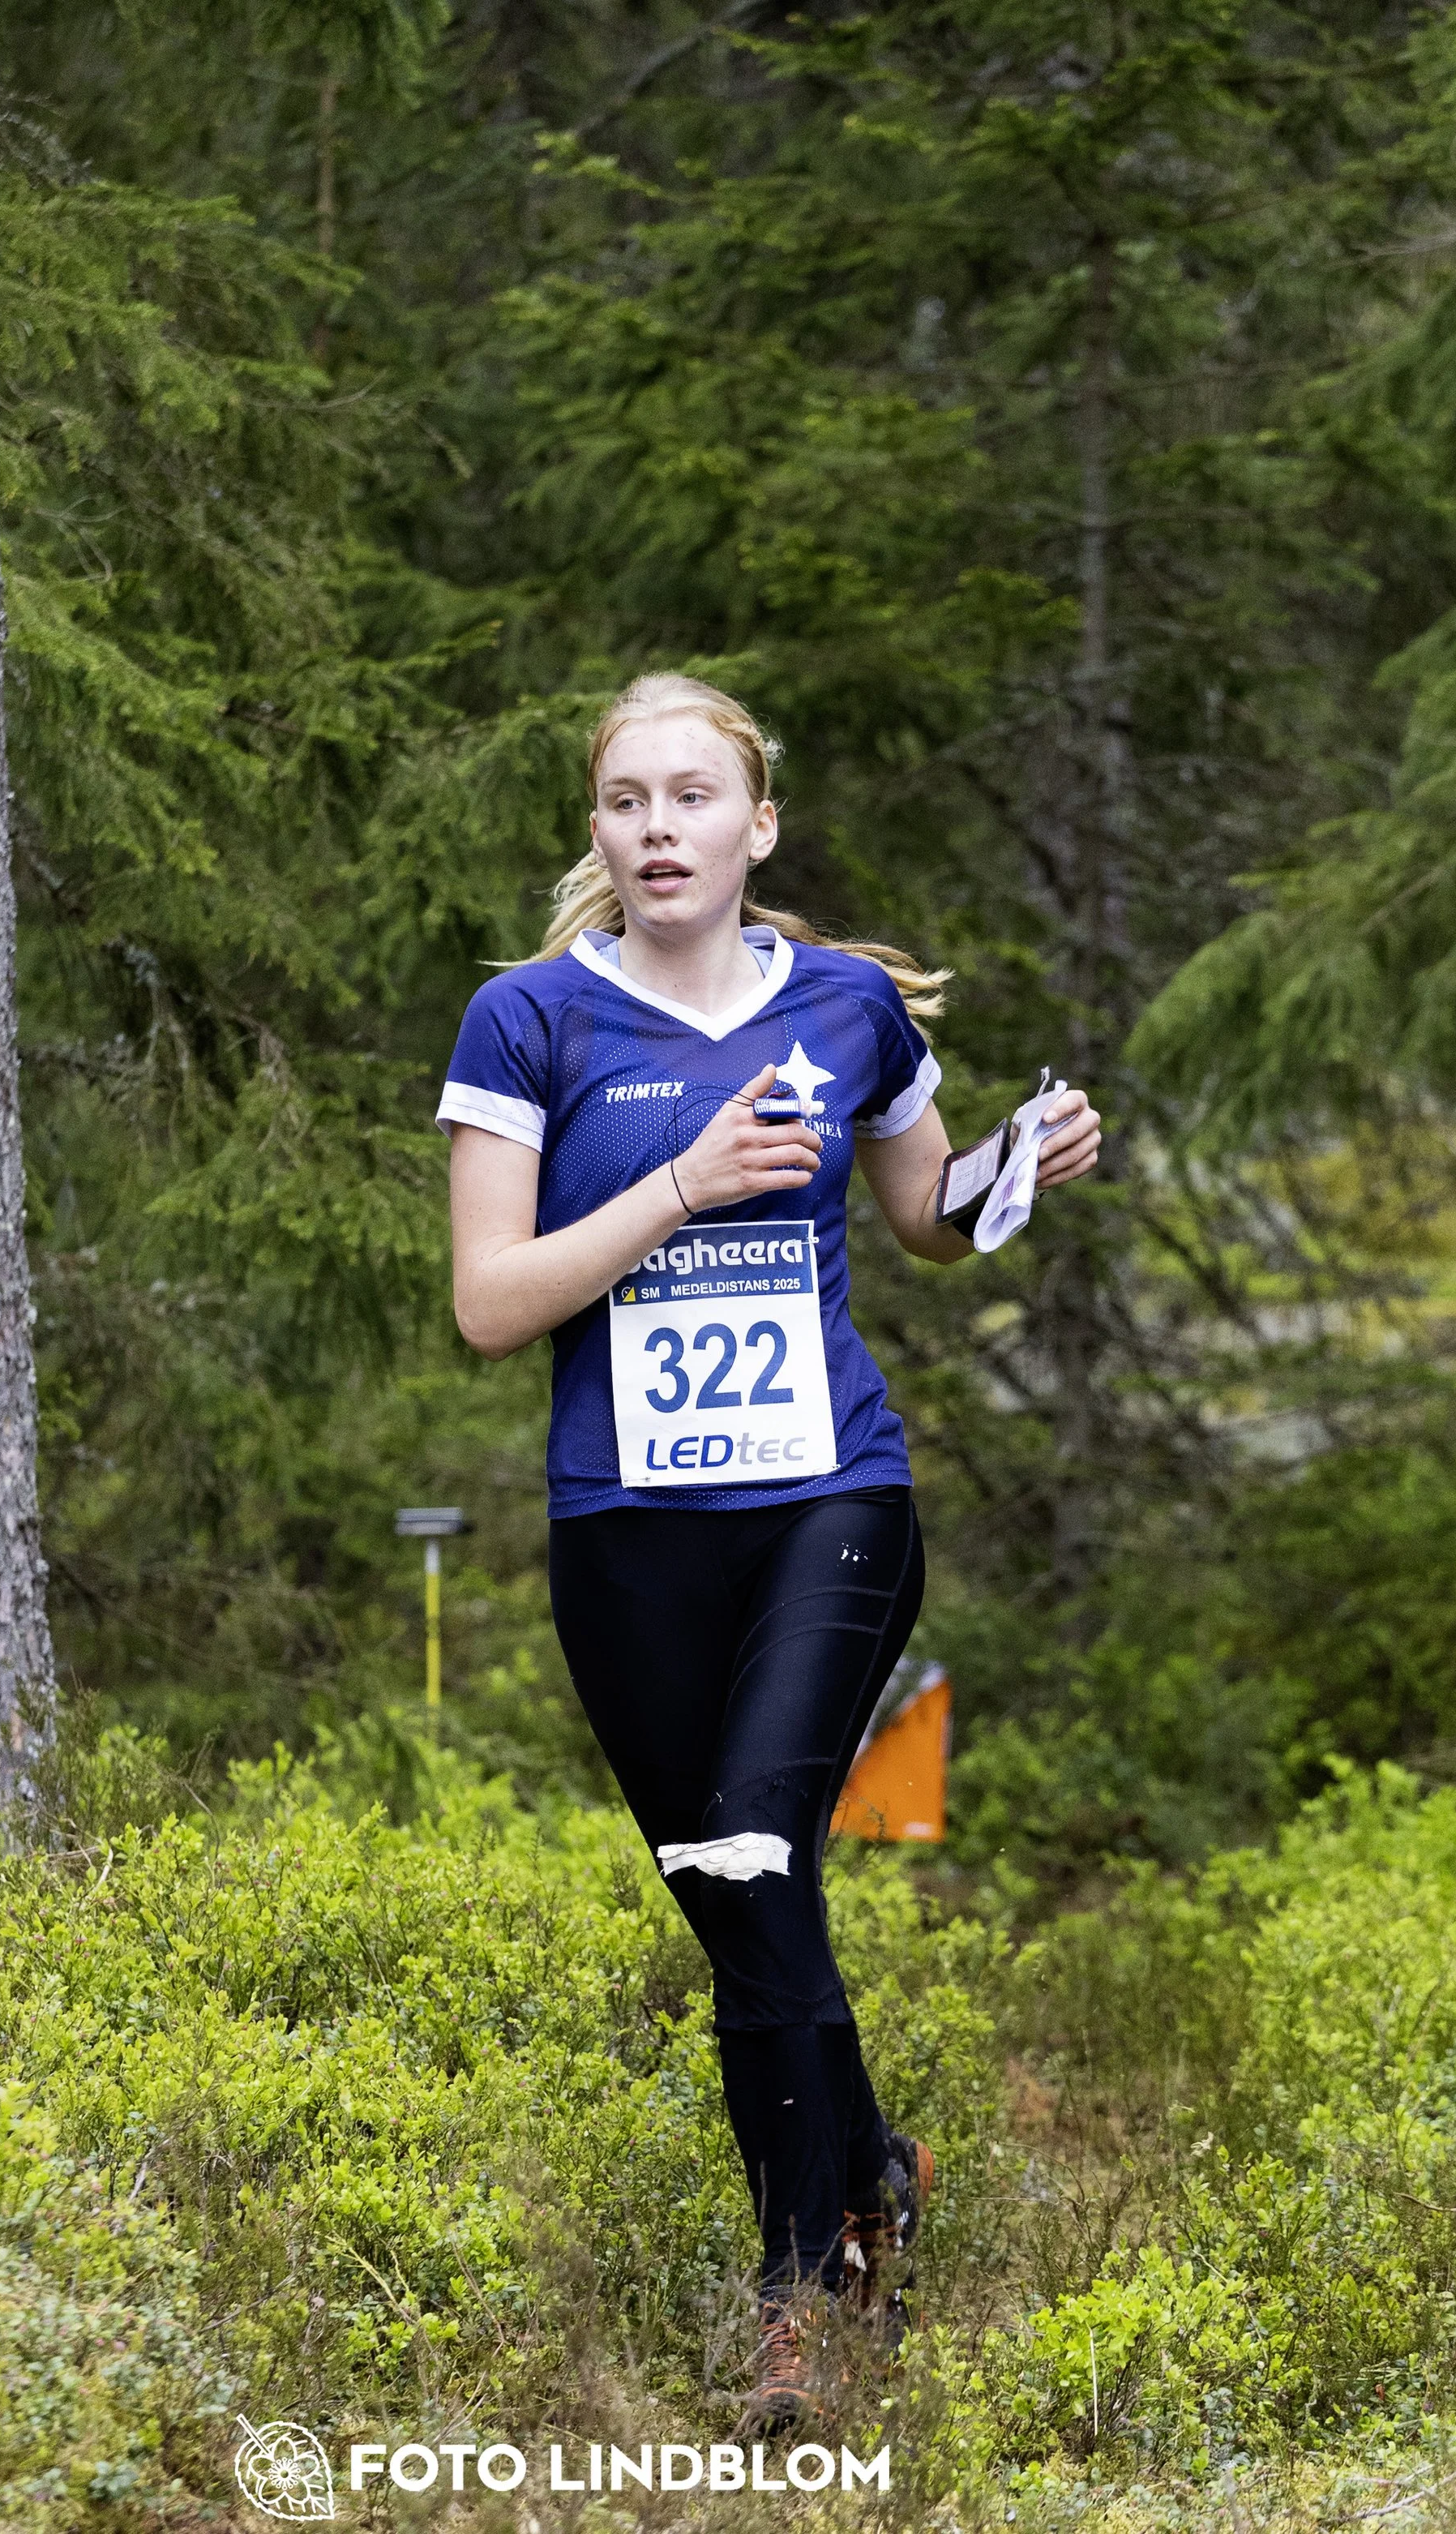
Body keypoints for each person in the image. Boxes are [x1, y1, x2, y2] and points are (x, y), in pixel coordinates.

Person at [437, 672, 1101, 2422]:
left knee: (747, 1853)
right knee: (743, 1894)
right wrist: (680, 1183)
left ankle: (799, 2292)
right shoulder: (525, 1023)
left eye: (690, 798)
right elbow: (489, 1305)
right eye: (624, 802)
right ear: (596, 829)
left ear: (758, 826)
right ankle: (873, 2165)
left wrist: (1017, 1162)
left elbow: (925, 1219)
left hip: (830, 1497)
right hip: (627, 1535)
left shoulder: (849, 1007)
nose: (656, 829)